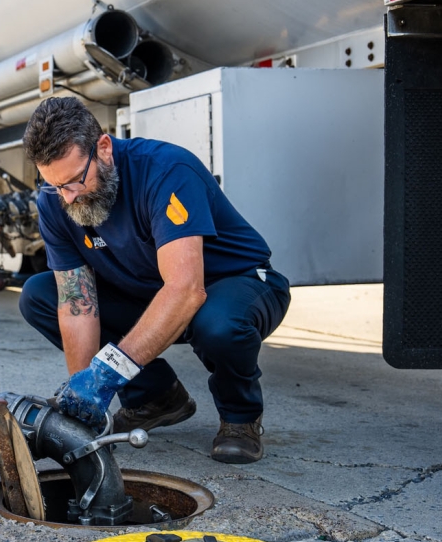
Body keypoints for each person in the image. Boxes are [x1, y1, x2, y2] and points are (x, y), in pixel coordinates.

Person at [18, 97, 291, 463]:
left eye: (75, 181)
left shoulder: (164, 170)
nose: (69, 197)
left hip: (234, 284)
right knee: (39, 294)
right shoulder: (56, 200)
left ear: (103, 148)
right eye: (56, 186)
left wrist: (108, 373)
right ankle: (156, 397)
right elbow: (76, 304)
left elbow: (185, 289)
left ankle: (240, 418)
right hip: (150, 292)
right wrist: (85, 391)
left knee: (220, 325)